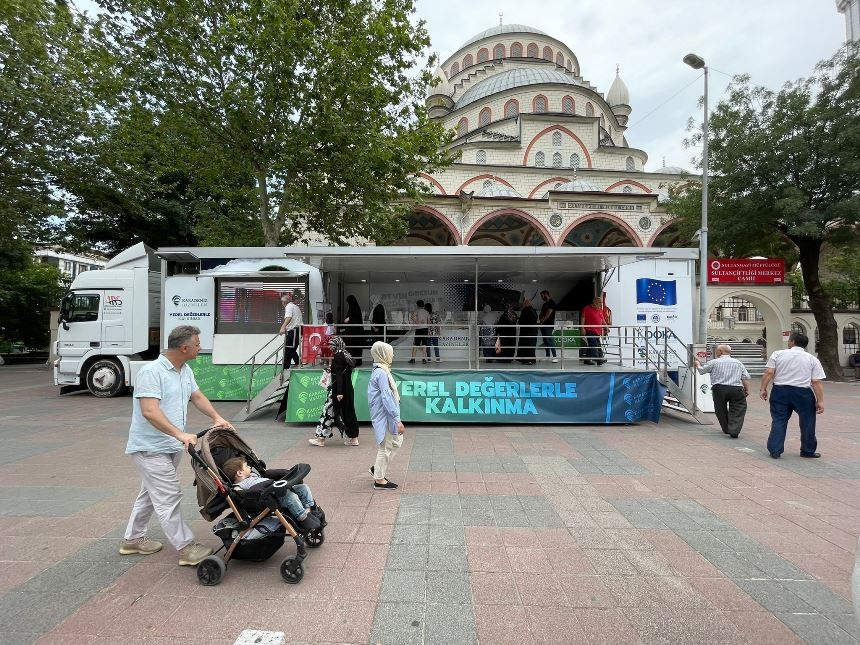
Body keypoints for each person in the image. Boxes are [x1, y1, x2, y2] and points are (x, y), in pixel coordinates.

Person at [120, 324, 234, 566]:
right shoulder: (152, 372)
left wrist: (217, 418)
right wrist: (180, 434)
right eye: (197, 344)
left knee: (150, 495)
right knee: (168, 495)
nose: (200, 347)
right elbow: (149, 411)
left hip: (169, 446)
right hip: (149, 448)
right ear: (184, 347)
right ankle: (186, 547)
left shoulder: (184, 370)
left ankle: (132, 539)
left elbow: (197, 396)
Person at [759, 332, 826, 459]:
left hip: (780, 391)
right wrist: (820, 400)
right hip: (803, 393)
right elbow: (816, 381)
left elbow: (769, 372)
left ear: (792, 342)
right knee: (808, 421)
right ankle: (808, 450)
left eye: (789, 340)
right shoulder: (812, 359)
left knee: (779, 420)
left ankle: (775, 450)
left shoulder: (778, 354)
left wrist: (763, 388)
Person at [221, 457, 320, 530]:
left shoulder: (252, 475)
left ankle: (309, 509)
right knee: (291, 497)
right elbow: (241, 494)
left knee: (303, 488)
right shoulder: (240, 486)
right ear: (239, 473)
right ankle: (302, 518)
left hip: (277, 487)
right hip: (270, 497)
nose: (249, 467)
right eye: (246, 466)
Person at [368, 341, 405, 490]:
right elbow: (386, 397)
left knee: (396, 442)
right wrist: (397, 419)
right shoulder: (382, 373)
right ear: (383, 354)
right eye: (390, 352)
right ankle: (379, 479)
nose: (393, 355)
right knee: (386, 447)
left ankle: (377, 468)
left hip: (383, 415)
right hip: (385, 416)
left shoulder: (380, 370)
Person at [694, 344, 751, 438]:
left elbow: (702, 371)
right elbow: (745, 377)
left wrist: (698, 365)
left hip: (719, 388)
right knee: (738, 408)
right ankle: (734, 429)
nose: (715, 352)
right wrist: (747, 389)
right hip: (736, 389)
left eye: (717, 350)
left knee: (720, 409)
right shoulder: (738, 363)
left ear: (721, 351)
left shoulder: (714, 362)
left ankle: (726, 428)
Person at [278, 289, 303, 369]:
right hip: (299, 329)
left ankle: (285, 369)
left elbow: (288, 317)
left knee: (288, 350)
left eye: (282, 303)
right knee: (292, 348)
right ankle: (298, 362)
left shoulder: (288, 306)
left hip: (293, 330)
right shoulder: (296, 307)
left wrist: (282, 327)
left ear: (284, 302)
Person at [581, 296, 607, 365]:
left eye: (601, 302)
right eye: (599, 302)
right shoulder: (587, 308)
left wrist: (606, 327)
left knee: (595, 345)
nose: (601, 304)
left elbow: (602, 320)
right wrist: (582, 328)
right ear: (594, 302)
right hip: (589, 330)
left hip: (597, 331)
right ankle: (598, 359)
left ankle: (587, 360)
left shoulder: (600, 310)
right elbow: (583, 318)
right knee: (594, 344)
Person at [342, 295, 364, 366]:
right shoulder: (356, 309)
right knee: (356, 348)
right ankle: (356, 361)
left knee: (352, 348)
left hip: (353, 333)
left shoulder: (353, 310)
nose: (347, 304)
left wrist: (348, 319)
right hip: (357, 333)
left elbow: (352, 319)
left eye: (348, 303)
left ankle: (352, 362)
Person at [516, 298, 538, 364]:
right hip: (533, 331)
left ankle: (526, 360)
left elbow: (521, 321)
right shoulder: (534, 311)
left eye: (523, 304)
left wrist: (518, 319)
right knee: (531, 346)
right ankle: (532, 359)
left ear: (526, 304)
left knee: (525, 345)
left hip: (526, 331)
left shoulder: (525, 310)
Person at [538, 290, 558, 363]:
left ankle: (555, 356)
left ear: (546, 294)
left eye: (542, 296)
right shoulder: (544, 305)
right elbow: (541, 313)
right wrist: (540, 320)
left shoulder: (551, 303)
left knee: (549, 340)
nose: (541, 297)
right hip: (543, 325)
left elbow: (548, 314)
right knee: (545, 341)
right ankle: (547, 356)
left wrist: (542, 321)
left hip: (549, 325)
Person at [409, 299, 429, 364]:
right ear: (423, 305)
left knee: (415, 344)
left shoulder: (417, 311)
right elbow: (428, 322)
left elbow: (412, 317)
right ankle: (424, 359)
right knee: (424, 344)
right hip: (425, 329)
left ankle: (413, 359)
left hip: (419, 329)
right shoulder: (426, 312)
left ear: (417, 305)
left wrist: (417, 322)